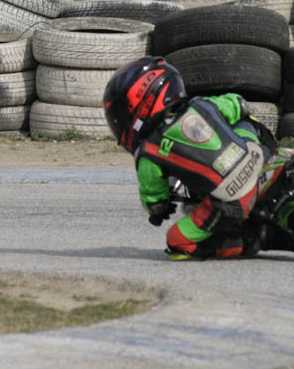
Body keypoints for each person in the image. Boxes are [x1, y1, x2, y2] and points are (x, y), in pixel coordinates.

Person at [103, 56, 278, 260]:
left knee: (177, 241)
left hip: (232, 201)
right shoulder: (203, 104)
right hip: (258, 158)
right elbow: (237, 103)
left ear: (141, 103)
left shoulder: (148, 152)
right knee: (242, 121)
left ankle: (247, 241)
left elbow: (154, 198)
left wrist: (158, 209)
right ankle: (276, 163)